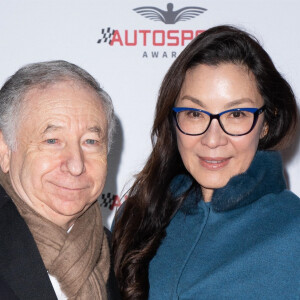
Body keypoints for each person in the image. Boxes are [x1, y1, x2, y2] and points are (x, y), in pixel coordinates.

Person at [112, 25, 300, 299]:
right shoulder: (135, 217)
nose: (213, 139)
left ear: (266, 124)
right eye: (194, 113)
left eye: (236, 114)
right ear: (174, 120)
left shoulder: (294, 230)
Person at [0, 60, 120, 299]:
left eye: (90, 142)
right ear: (4, 151)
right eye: (52, 141)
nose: (76, 165)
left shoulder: (124, 258)